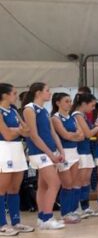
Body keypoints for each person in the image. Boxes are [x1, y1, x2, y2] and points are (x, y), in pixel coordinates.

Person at [22, 83, 65, 229]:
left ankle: (42, 218)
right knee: (55, 183)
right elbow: (34, 135)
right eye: (47, 90)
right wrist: (50, 155)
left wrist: (60, 151)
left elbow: (52, 133)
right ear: (38, 93)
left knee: (43, 185)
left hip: (49, 151)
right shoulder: (29, 109)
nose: (50, 93)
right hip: (39, 152)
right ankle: (47, 217)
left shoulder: (45, 110)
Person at [0, 83, 31, 235]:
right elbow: (6, 135)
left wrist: (15, 130)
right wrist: (18, 130)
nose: (16, 96)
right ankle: (2, 224)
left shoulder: (13, 110)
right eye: (14, 93)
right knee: (2, 188)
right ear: (5, 95)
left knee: (14, 188)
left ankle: (16, 221)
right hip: (4, 149)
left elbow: (27, 131)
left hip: (17, 148)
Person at [50, 92, 83, 224]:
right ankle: (65, 213)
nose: (70, 104)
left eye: (70, 101)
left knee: (73, 183)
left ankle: (71, 211)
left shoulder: (73, 118)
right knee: (67, 184)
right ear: (58, 103)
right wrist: (74, 135)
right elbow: (65, 135)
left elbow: (81, 135)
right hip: (63, 153)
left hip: (74, 152)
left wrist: (73, 135)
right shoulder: (55, 118)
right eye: (66, 101)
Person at [72, 93, 98, 217]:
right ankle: (76, 207)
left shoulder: (83, 116)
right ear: (84, 104)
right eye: (92, 105)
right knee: (79, 180)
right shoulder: (77, 115)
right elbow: (88, 134)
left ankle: (85, 206)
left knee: (86, 180)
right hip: (80, 151)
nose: (93, 108)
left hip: (86, 150)